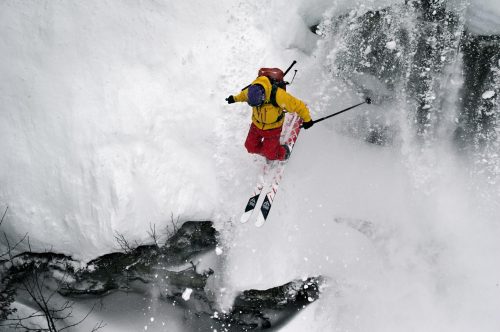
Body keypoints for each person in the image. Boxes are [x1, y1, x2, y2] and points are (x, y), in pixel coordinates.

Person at [226, 74, 314, 161]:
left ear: (263, 97)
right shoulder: (251, 90)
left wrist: (307, 120)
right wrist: (234, 99)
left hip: (273, 128)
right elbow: (243, 95)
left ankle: (283, 152)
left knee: (270, 154)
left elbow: (299, 106)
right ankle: (270, 152)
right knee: (250, 147)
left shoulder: (278, 95)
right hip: (256, 126)